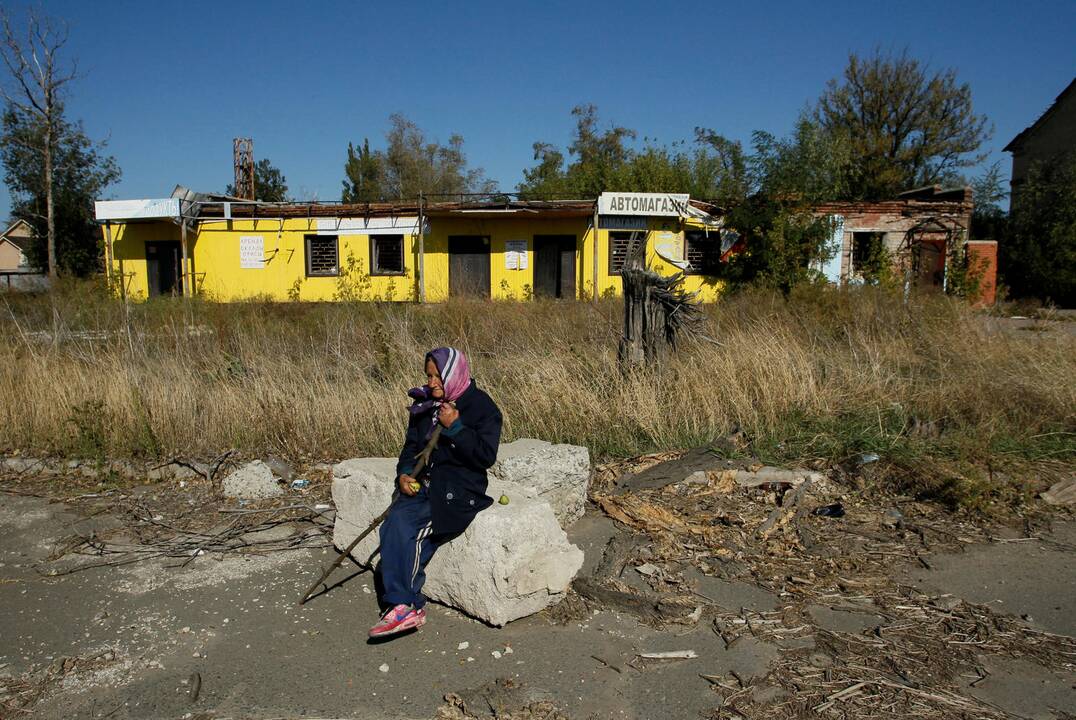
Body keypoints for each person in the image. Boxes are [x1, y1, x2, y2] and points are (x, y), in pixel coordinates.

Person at [369, 346, 502, 638]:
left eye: (437, 377)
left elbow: (484, 456)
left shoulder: (481, 408)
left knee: (409, 529)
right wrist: (404, 474)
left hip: (458, 491)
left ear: (454, 374)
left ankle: (404, 605)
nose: (431, 384)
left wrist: (455, 427)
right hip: (424, 485)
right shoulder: (425, 406)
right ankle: (407, 605)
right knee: (394, 524)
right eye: (428, 377)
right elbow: (411, 448)